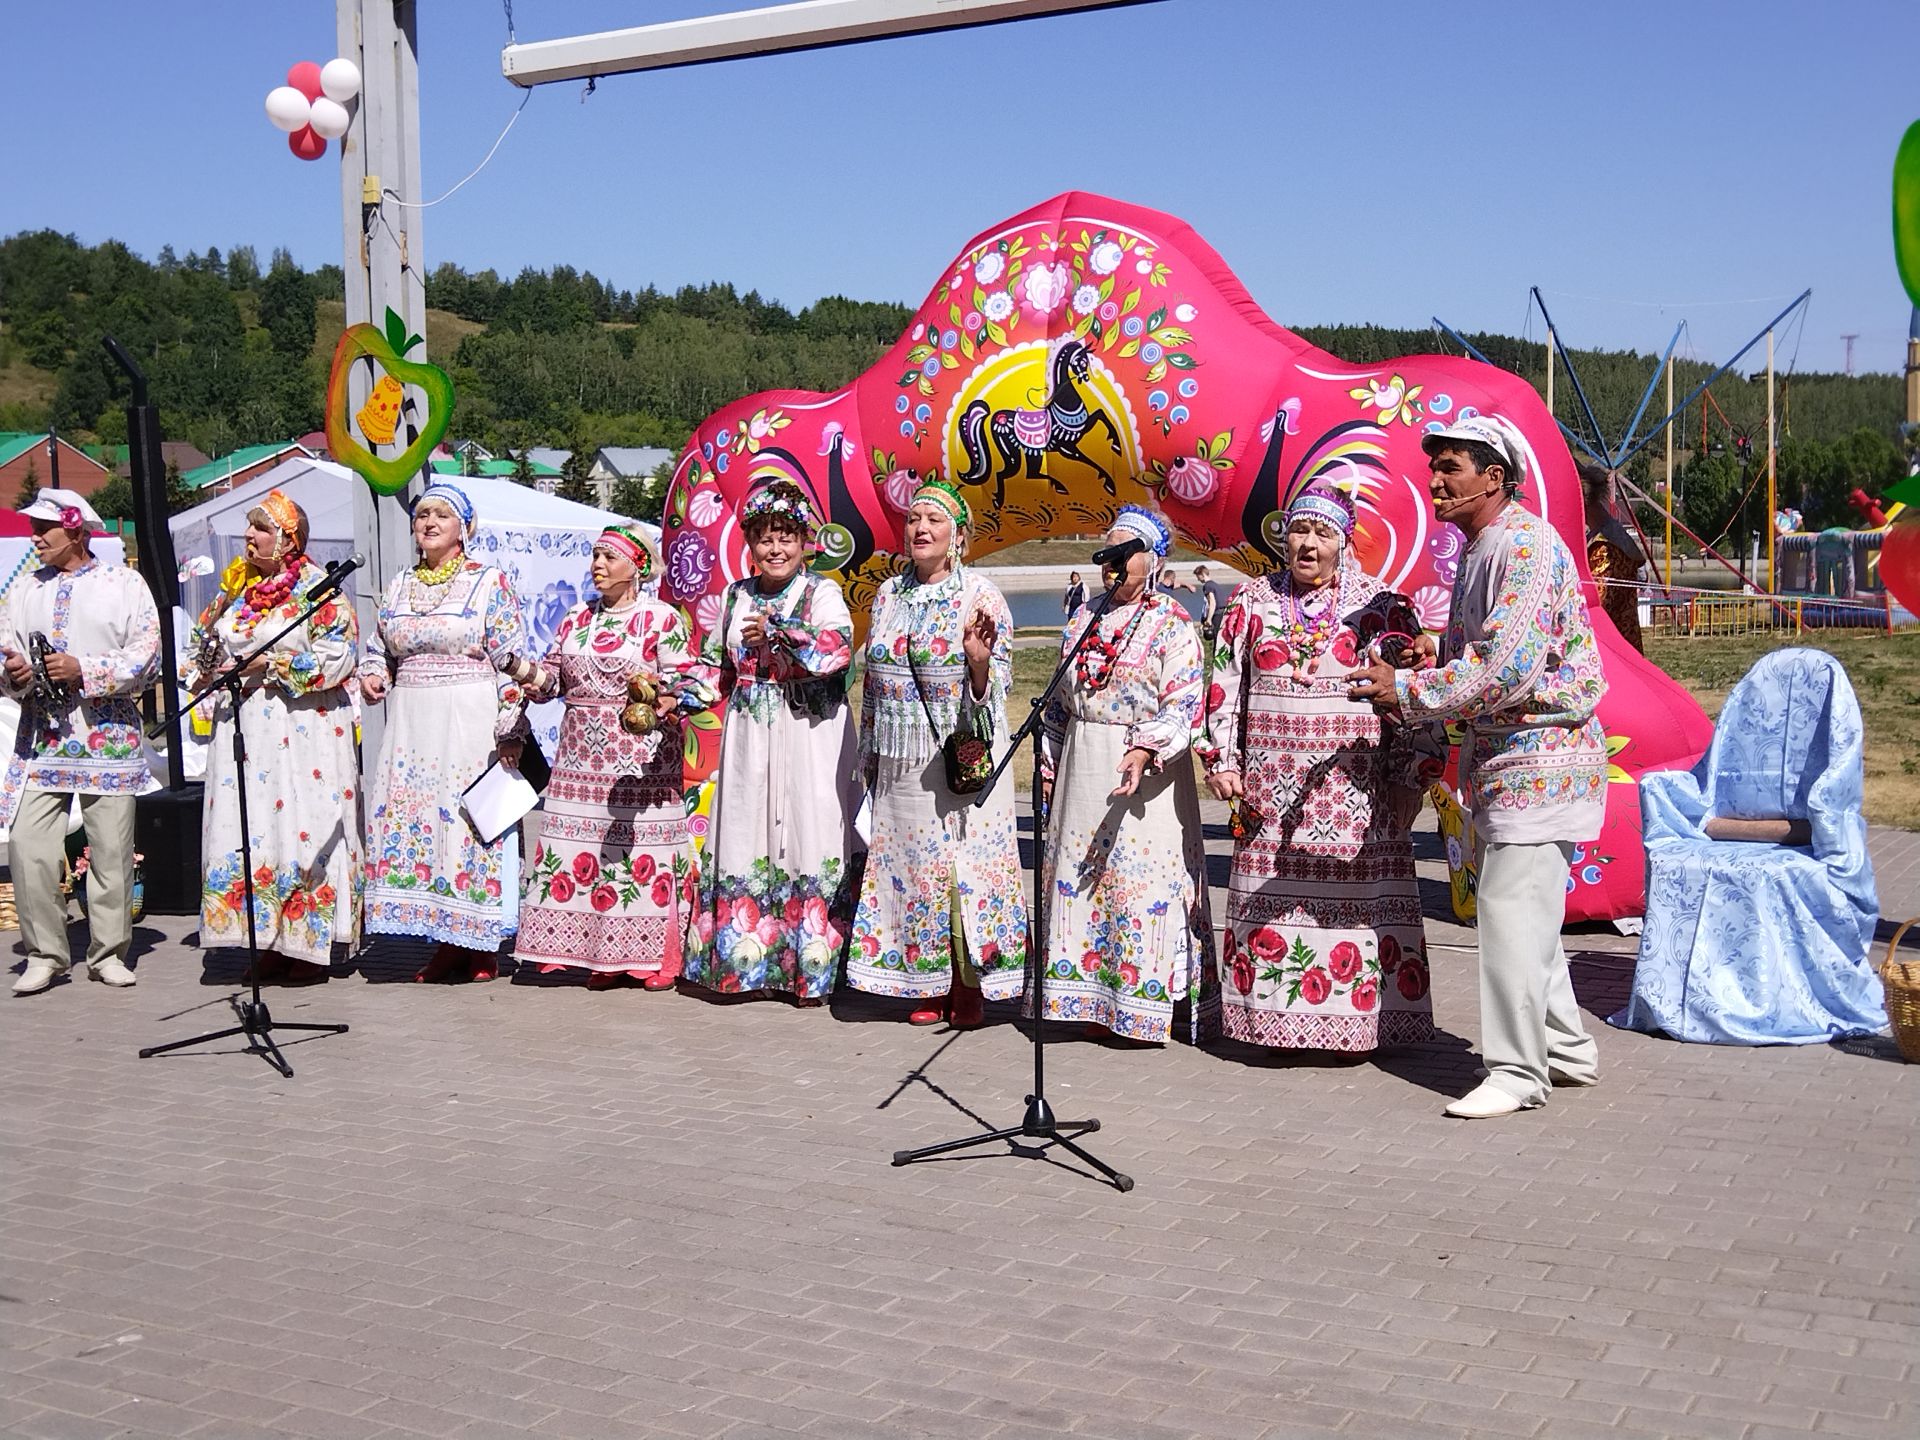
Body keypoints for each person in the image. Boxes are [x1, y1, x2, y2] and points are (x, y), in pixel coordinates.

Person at [1350, 415, 1608, 1119]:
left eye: (1452, 467)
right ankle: (1565, 1049)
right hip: (1512, 762)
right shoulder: (1485, 547)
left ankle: (1519, 1072)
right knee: (1527, 917)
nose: (1435, 479)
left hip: (1539, 758)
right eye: (1435, 466)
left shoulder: (1521, 545)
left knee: (1507, 913)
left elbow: (1508, 669)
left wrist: (1407, 691)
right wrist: (1430, 656)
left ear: (1494, 478)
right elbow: (1480, 654)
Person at [1197, 480, 1445, 1052]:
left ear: (1344, 540)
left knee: (1358, 902)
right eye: (1299, 531)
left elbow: (1414, 687)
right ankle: (1271, 1029)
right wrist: (1220, 760)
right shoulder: (1251, 601)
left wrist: (1416, 769)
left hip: (1355, 789)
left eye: (1322, 533)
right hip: (1270, 785)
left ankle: (1358, 1028)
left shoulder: (1382, 605)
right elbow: (1224, 688)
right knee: (1271, 894)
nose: (1307, 544)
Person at [847, 479, 1028, 1025]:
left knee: (961, 869)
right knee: (909, 867)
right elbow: (874, 682)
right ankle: (921, 978)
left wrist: (976, 659)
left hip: (956, 759)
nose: (921, 529)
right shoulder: (887, 594)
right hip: (899, 761)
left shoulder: (981, 594)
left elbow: (999, 683)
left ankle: (967, 982)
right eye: (914, 519)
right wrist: (871, 751)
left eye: (934, 520)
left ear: (958, 536)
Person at [1038, 505, 1214, 1043]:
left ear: (1153, 561)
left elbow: (1185, 704)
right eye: (1107, 552)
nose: (1113, 563)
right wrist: (1049, 763)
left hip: (1148, 776)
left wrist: (1144, 748)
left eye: (1126, 552)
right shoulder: (1082, 617)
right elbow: (1059, 701)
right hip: (1083, 765)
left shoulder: (1173, 623)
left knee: (1140, 882)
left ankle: (1141, 1005)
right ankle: (1081, 999)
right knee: (1083, 880)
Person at [516, 526, 717, 989]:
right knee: (584, 853)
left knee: (640, 855)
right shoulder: (575, 618)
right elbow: (552, 682)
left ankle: (651, 958)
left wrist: (666, 702)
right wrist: (525, 674)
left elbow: (694, 680)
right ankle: (600, 956)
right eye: (595, 556)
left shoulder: (660, 618)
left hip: (639, 762)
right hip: (579, 761)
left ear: (637, 568)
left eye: (609, 557)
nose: (597, 565)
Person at [685, 482, 860, 1004]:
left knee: (811, 830)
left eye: (786, 537)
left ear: (806, 541)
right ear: (751, 544)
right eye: (764, 538)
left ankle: (813, 967)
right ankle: (749, 963)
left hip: (808, 732)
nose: (775, 549)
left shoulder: (821, 592)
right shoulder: (736, 596)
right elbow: (718, 670)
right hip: (750, 735)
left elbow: (838, 650)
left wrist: (783, 634)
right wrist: (675, 697)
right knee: (744, 828)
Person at [360, 483, 530, 982]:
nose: (429, 523)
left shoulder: (488, 582)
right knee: (422, 825)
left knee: (467, 824)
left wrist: (509, 727)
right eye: (422, 515)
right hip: (413, 722)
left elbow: (512, 658)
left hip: (468, 719)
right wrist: (374, 673)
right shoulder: (398, 586)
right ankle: (442, 941)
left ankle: (480, 945)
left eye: (441, 516)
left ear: (464, 529)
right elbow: (379, 646)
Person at [190, 490, 361, 983]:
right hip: (243, 732)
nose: (249, 536)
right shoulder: (238, 591)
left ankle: (304, 944)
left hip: (302, 731)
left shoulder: (319, 589)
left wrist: (274, 663)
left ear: (289, 539)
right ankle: (261, 935)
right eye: (249, 527)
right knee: (250, 826)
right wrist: (203, 672)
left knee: (302, 828)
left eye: (261, 529)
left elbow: (338, 658)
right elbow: (204, 647)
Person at [2, 490, 160, 995]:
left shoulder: (124, 583)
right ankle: (46, 953)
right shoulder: (25, 588)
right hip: (44, 739)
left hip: (107, 738)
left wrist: (84, 668)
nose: (35, 536)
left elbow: (148, 656)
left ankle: (108, 952)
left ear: (75, 528)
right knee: (28, 846)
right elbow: (5, 655)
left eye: (45, 526)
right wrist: (16, 674)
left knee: (112, 850)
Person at [1581, 464, 1645, 653]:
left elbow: (1594, 604)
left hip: (1612, 648)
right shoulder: (1605, 536)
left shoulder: (1606, 547)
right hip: (1621, 641)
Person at [1193, 563, 1227, 645]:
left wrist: (1209, 619)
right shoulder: (1214, 584)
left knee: (1216, 638)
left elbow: (1212, 603)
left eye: (1198, 576)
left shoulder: (1207, 586)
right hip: (1223, 612)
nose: (1198, 579)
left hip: (1217, 614)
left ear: (1202, 574)